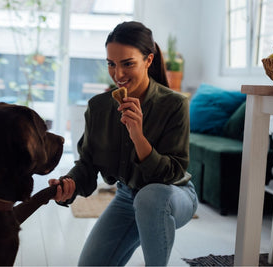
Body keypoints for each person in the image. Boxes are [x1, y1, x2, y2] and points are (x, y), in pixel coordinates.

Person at [49, 21, 198, 266]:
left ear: (149, 60)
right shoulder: (98, 107)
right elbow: (87, 164)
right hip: (127, 197)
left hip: (173, 194)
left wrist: (138, 136)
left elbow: (172, 172)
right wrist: (70, 185)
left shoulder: (174, 104)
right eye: (111, 64)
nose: (118, 75)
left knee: (149, 197)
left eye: (128, 63)